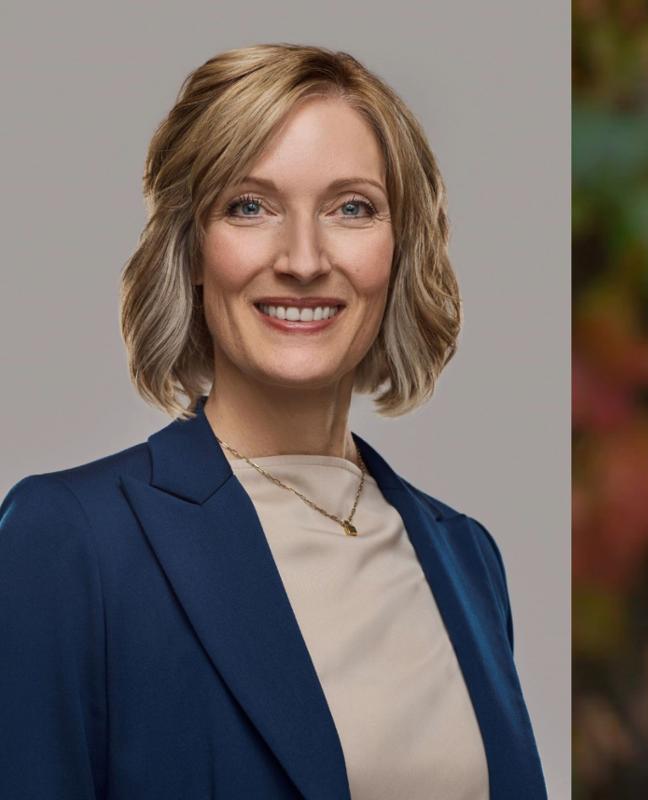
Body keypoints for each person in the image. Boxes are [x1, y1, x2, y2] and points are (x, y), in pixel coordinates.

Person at [0, 45, 546, 799]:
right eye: (249, 206)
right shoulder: (70, 541)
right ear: (192, 248)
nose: (302, 258)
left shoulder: (467, 558)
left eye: (351, 207)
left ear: (399, 247)